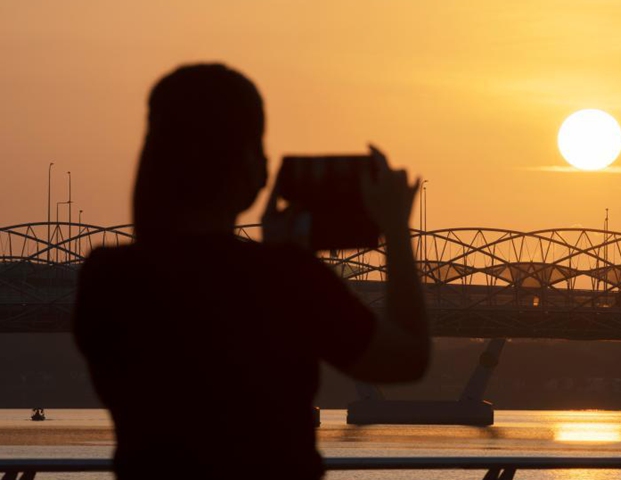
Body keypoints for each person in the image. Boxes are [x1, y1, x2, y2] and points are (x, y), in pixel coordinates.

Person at [72, 63, 429, 480]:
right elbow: (408, 359)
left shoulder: (108, 279)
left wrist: (277, 258)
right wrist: (396, 233)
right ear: (248, 166)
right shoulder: (287, 280)